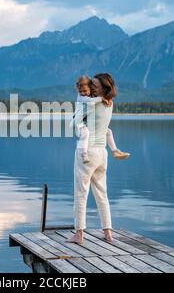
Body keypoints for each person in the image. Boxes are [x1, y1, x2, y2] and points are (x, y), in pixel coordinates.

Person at [67, 73, 119, 245]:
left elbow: (74, 123)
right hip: (102, 153)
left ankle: (79, 235)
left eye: (94, 85)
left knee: (81, 194)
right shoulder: (109, 104)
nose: (91, 87)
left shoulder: (91, 103)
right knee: (102, 194)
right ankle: (108, 233)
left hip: (87, 152)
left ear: (103, 88)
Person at [72, 75, 130, 164]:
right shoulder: (84, 98)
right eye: (80, 91)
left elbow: (75, 122)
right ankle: (86, 153)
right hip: (100, 150)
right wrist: (101, 98)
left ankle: (114, 151)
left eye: (85, 90)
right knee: (91, 133)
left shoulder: (94, 102)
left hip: (93, 148)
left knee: (107, 131)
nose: (83, 93)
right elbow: (89, 101)